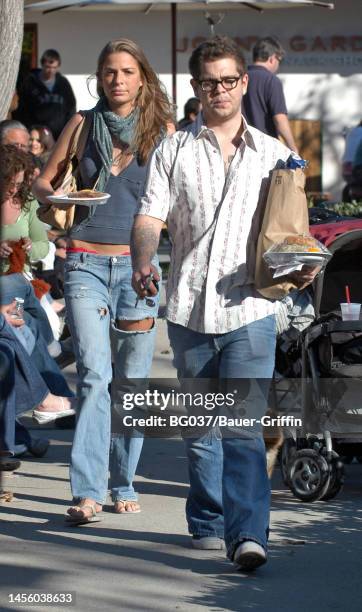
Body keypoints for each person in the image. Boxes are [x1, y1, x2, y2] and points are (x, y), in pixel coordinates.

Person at [130, 35, 319, 571]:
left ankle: (248, 535)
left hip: (251, 309)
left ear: (244, 83)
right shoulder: (173, 149)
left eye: (229, 80)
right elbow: (149, 217)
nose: (220, 90)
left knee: (241, 426)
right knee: (201, 433)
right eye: (209, 82)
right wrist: (145, 259)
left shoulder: (275, 155)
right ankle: (209, 520)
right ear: (196, 88)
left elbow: (291, 233)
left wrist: (302, 264)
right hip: (189, 308)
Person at [33, 38, 175, 525]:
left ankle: (124, 481)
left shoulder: (163, 132)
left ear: (142, 77)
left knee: (130, 385)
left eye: (127, 71)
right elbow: (42, 182)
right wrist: (64, 200)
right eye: (110, 71)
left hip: (140, 272)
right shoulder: (81, 123)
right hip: (85, 264)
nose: (117, 79)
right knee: (95, 375)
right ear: (100, 77)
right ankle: (88, 490)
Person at [243, 37, 298, 153]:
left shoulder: (239, 78)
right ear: (272, 58)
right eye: (279, 60)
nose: (278, 65)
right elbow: (280, 119)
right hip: (264, 148)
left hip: (240, 146)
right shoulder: (271, 81)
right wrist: (292, 147)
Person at [0, 144, 49, 275]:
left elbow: (43, 246)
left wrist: (29, 247)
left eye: (18, 184)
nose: (13, 190)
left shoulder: (28, 201)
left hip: (20, 280)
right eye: (9, 184)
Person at [15, 49, 76, 141]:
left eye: (54, 67)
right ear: (42, 65)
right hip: (36, 136)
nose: (50, 70)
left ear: (58, 66)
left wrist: (69, 129)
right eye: (48, 67)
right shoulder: (30, 82)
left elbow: (71, 107)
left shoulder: (63, 83)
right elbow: (21, 108)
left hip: (59, 135)